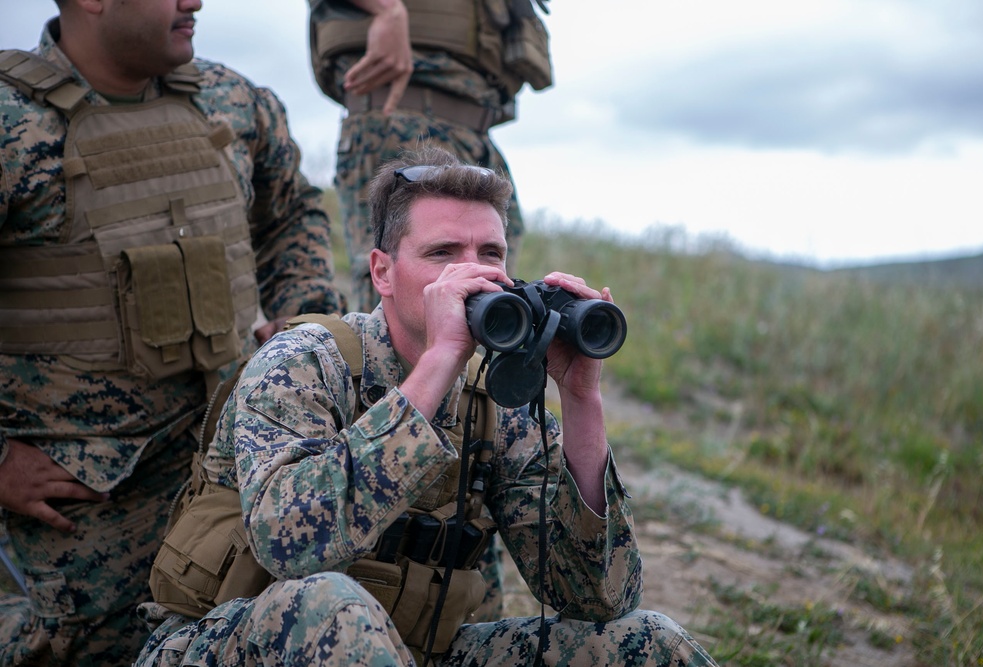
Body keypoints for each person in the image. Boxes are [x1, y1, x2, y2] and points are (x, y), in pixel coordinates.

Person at [133, 145, 719, 666]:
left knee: (646, 642)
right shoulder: (304, 361)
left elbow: (597, 596)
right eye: (443, 253)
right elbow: (293, 545)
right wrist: (440, 361)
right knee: (329, 605)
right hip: (238, 642)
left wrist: (581, 398)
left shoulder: (496, 403)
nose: (475, 272)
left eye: (492, 253)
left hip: (412, 652)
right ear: (382, 273)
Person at [0, 0, 347, 664]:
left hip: (231, 480)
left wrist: (301, 325)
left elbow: (293, 209)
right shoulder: (13, 124)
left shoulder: (232, 100)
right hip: (84, 519)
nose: (196, 1)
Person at [308, 0, 553, 312]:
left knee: (486, 288)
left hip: (474, 127)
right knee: (405, 294)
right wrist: (387, 9)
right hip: (402, 114)